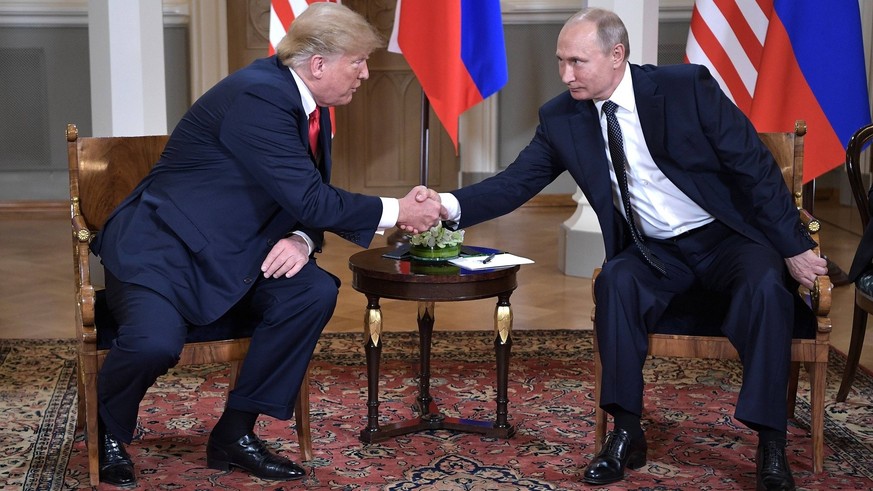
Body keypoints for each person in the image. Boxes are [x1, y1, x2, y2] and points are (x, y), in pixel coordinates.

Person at [438, 8, 827, 491]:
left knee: (768, 286)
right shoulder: (562, 117)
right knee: (618, 282)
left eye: (577, 62)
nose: (565, 75)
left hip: (726, 238)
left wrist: (791, 245)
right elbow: (514, 184)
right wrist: (444, 205)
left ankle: (771, 442)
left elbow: (754, 169)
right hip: (654, 250)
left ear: (617, 55)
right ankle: (625, 432)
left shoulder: (686, 88)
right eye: (561, 61)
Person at [89, 3, 442, 488]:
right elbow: (312, 197)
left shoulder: (307, 105)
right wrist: (399, 211)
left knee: (311, 292)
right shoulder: (259, 97)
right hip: (163, 251)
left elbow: (299, 195)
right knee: (154, 342)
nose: (365, 73)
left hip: (237, 249)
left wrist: (300, 237)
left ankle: (234, 432)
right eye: (358, 61)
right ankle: (106, 429)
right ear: (318, 65)